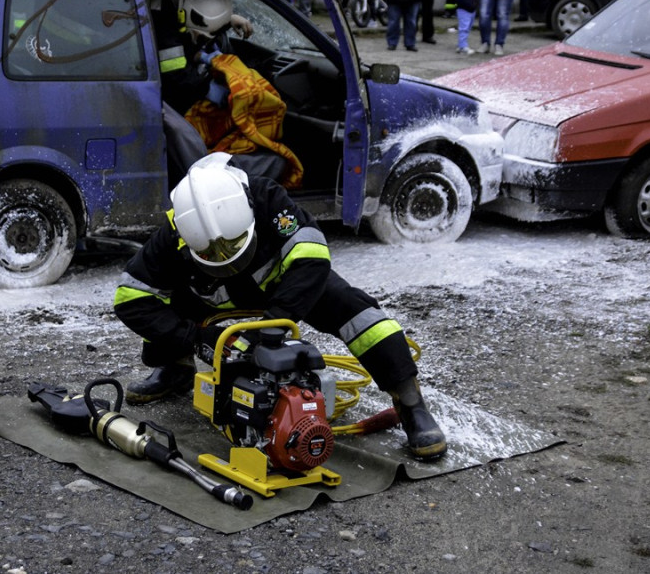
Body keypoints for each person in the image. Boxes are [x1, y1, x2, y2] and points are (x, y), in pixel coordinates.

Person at [114, 154, 448, 461]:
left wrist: (276, 322)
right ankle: (176, 369)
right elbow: (131, 297)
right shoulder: (173, 233)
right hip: (210, 299)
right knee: (164, 304)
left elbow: (312, 256)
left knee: (357, 313)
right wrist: (196, 338)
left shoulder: (266, 198)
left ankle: (409, 401)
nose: (225, 259)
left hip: (283, 290)